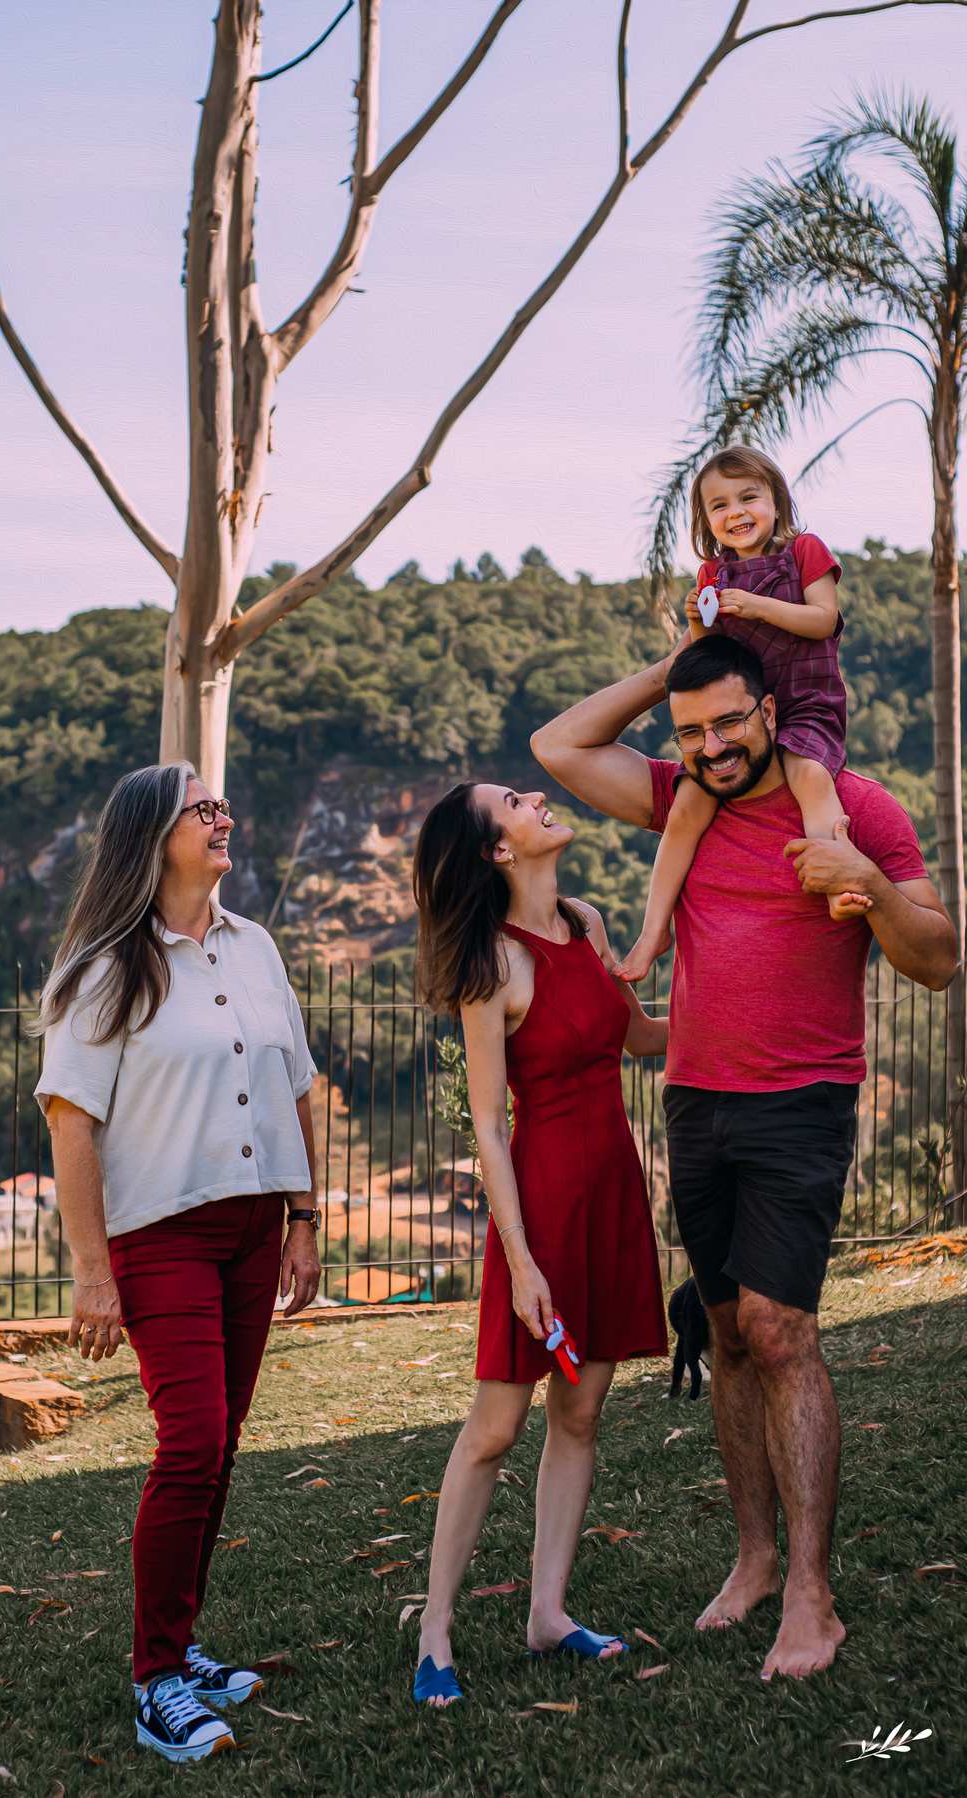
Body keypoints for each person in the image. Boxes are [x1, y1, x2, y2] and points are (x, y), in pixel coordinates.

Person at [532, 633, 957, 1681]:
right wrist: (675, 667)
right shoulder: (684, 797)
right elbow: (561, 744)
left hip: (802, 1101)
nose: (713, 746)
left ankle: (813, 1594)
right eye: (691, 731)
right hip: (697, 1102)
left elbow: (939, 960)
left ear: (774, 709)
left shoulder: (855, 806)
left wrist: (865, 879)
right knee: (724, 1331)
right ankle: (757, 1560)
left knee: (780, 1329)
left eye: (729, 720)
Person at [32, 763, 322, 1763]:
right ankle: (157, 1677)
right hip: (159, 1236)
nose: (225, 816)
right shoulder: (103, 969)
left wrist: (305, 1215)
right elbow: (72, 1123)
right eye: (205, 808)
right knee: (192, 1442)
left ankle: (182, 1642)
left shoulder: (255, 946)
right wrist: (91, 1270)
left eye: (223, 804)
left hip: (253, 1229)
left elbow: (298, 1083)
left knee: (224, 1440)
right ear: (155, 834)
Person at [408, 780, 669, 1707]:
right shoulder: (492, 963)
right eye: (515, 801)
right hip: (544, 1205)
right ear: (497, 850)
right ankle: (435, 1626)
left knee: (582, 1412)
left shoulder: (586, 922)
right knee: (496, 1428)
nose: (539, 800)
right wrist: (522, 1261)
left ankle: (547, 1612)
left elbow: (634, 1037)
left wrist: (732, 1013)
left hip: (614, 1192)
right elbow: (486, 1125)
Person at [616, 446, 867, 986]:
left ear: (776, 500)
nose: (736, 512)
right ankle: (654, 929)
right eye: (719, 505)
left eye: (749, 496)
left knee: (810, 776)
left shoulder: (804, 551)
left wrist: (755, 606)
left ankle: (840, 877)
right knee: (686, 805)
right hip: (741, 721)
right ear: (706, 522)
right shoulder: (713, 572)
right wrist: (700, 624)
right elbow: (711, 661)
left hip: (803, 704)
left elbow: (823, 620)